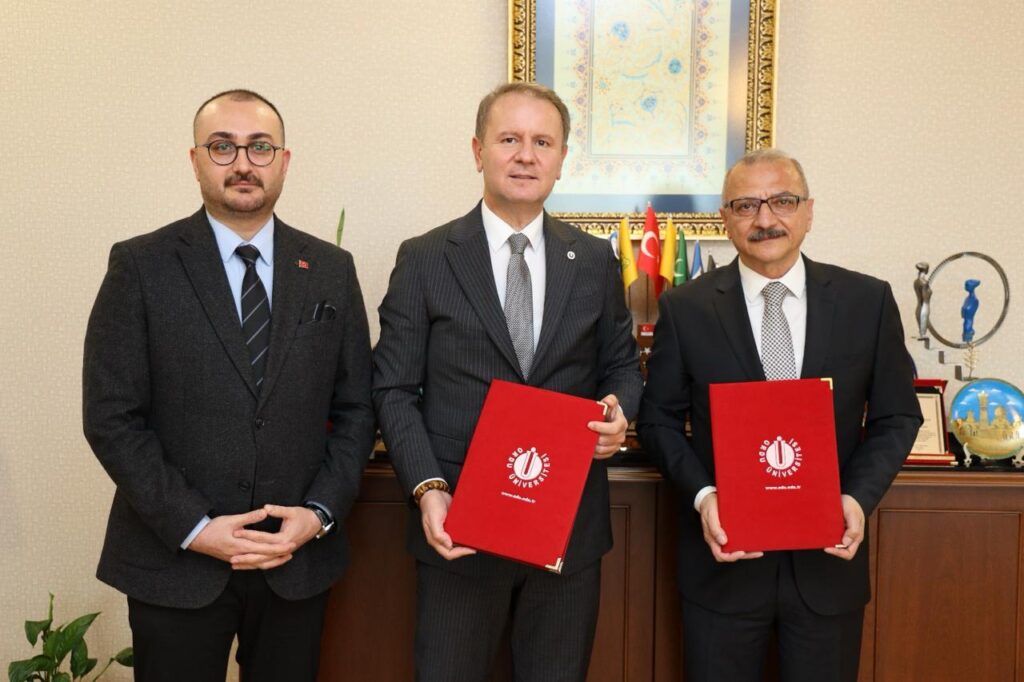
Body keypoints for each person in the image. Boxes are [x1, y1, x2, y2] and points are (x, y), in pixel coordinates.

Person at [82, 89, 375, 682]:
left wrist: (317, 514)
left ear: (284, 161)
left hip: (295, 562)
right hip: (176, 562)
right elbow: (112, 417)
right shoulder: (141, 266)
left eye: (259, 147)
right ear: (195, 160)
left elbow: (356, 410)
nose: (243, 163)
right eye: (223, 147)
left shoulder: (330, 269)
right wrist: (195, 527)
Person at [373, 82, 643, 681]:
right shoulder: (425, 257)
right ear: (477, 151)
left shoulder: (595, 260)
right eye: (510, 139)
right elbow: (392, 388)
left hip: (567, 531)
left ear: (561, 158)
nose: (526, 155)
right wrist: (428, 489)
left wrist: (620, 412)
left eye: (542, 142)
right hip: (459, 525)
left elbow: (621, 365)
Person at [637, 149, 922, 682]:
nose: (765, 219)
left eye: (782, 201)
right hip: (721, 568)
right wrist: (706, 498)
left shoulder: (868, 301)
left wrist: (856, 500)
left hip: (828, 565)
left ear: (809, 212)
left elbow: (897, 417)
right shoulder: (687, 308)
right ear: (725, 219)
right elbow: (657, 422)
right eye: (746, 206)